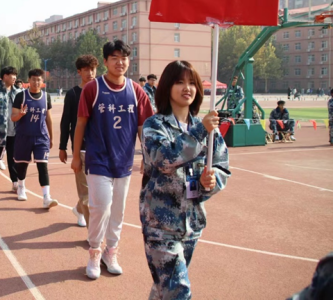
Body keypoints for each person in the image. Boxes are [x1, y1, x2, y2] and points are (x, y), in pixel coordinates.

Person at [141, 60, 231, 299]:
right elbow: (163, 159)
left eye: (192, 82)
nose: (187, 87)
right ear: (167, 87)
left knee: (165, 290)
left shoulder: (208, 127)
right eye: (180, 82)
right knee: (178, 291)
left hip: (191, 223)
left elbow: (222, 167)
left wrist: (210, 183)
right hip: (161, 225)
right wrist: (200, 131)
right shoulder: (155, 125)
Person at [71, 40, 153, 279]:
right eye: (115, 58)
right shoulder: (93, 89)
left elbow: (143, 128)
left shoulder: (137, 91)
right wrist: (76, 156)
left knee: (118, 211)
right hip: (98, 160)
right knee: (99, 208)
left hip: (124, 162)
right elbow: (81, 124)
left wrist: (147, 158)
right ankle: (94, 252)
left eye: (124, 58)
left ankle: (111, 252)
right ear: (105, 61)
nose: (120, 62)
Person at [59, 55, 98, 228]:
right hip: (80, 148)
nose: (90, 73)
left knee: (98, 190)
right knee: (86, 192)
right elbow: (66, 121)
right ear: (79, 72)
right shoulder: (73, 94)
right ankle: (93, 235)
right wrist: (62, 147)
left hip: (98, 148)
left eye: (93, 69)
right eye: (86, 70)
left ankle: (79, 209)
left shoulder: (100, 91)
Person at [11, 69, 58, 208]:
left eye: (39, 80)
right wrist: (21, 114)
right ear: (29, 80)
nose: (36, 82)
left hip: (41, 137)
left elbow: (48, 118)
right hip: (23, 136)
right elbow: (13, 117)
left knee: (43, 166)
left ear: (42, 81)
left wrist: (51, 137)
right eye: (33, 79)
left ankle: (46, 197)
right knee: (22, 165)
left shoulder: (46, 97)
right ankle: (21, 186)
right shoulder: (21, 96)